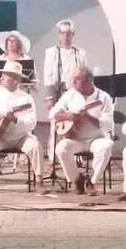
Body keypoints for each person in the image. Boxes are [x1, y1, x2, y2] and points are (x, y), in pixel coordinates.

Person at [0, 61, 45, 195]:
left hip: (21, 136)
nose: (11, 79)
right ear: (2, 77)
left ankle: (39, 180)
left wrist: (16, 120)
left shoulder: (26, 98)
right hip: (0, 136)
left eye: (14, 76)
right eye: (8, 75)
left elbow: (32, 122)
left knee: (35, 146)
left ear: (18, 80)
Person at [49, 66, 114, 196]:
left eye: (76, 80)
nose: (73, 84)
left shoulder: (104, 97)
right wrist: (69, 116)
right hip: (75, 138)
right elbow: (52, 114)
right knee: (61, 148)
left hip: (97, 138)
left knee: (106, 146)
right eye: (74, 80)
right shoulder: (70, 94)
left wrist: (89, 117)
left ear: (88, 81)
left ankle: (92, 183)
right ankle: (78, 180)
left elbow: (108, 124)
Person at [43, 19, 88, 162]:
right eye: (62, 33)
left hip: (75, 93)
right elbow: (48, 74)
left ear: (72, 35)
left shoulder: (80, 53)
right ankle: (54, 157)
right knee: (56, 123)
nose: (65, 36)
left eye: (68, 33)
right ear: (58, 35)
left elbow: (85, 73)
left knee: (75, 123)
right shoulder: (51, 52)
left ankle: (75, 157)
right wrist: (49, 97)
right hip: (59, 92)